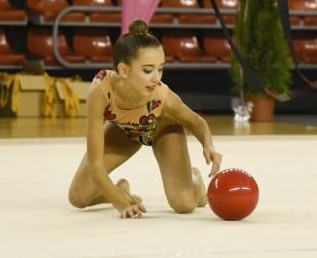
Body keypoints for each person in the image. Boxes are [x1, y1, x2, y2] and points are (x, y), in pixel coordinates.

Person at [67, 20, 223, 218]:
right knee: (78, 197)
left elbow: (196, 121)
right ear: (124, 70)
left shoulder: (162, 96)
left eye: (161, 68)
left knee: (184, 205)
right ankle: (121, 189)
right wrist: (121, 201)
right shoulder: (100, 91)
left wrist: (208, 145)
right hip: (125, 131)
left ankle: (194, 181)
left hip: (162, 129)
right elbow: (96, 164)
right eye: (148, 70)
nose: (156, 77)